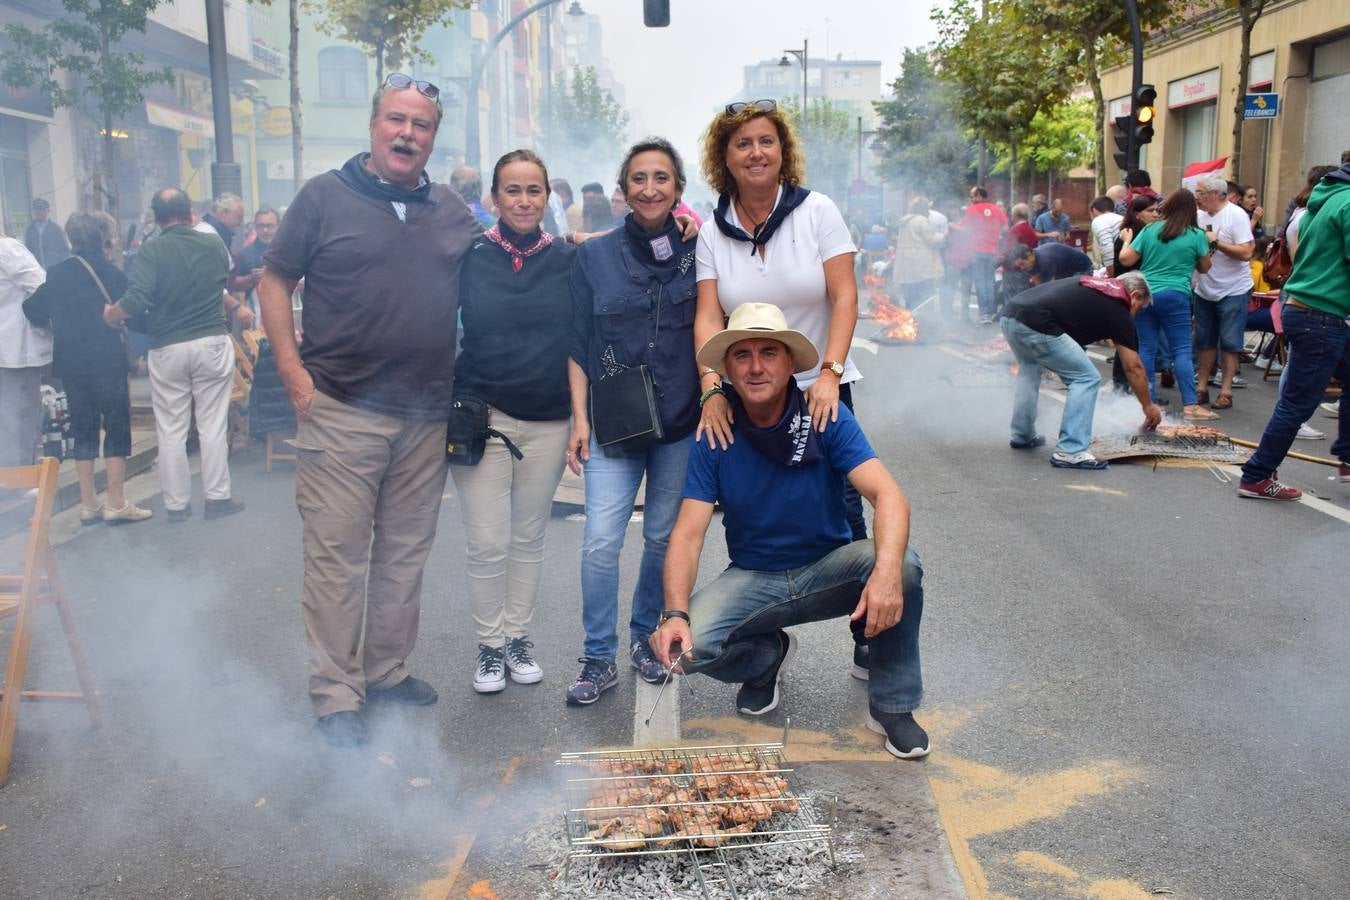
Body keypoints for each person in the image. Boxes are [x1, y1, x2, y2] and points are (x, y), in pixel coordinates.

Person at [256, 73, 481, 747]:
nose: (407, 133)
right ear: (374, 124)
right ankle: (335, 696)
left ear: (433, 137)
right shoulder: (323, 197)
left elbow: (508, 265)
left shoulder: (450, 210)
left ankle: (385, 673)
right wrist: (294, 374)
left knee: (405, 557)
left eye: (421, 124)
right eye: (396, 119)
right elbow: (274, 281)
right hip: (342, 408)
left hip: (425, 416)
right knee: (337, 559)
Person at [650, 302, 930, 758]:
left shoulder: (826, 414)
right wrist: (674, 615)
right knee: (687, 648)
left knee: (904, 566)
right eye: (742, 355)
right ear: (728, 369)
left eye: (769, 353)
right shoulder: (715, 432)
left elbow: (890, 497)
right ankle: (765, 660)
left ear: (788, 363)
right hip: (755, 577)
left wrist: (884, 575)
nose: (756, 367)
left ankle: (892, 706)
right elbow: (687, 534)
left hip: (829, 569)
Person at [564, 137, 700, 706]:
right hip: (613, 424)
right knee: (599, 543)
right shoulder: (592, 256)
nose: (649, 189)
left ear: (678, 190)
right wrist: (579, 420)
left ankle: (645, 638)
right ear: (623, 190)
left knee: (662, 538)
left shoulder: (700, 250)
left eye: (661, 178)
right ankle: (598, 658)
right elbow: (576, 342)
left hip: (680, 420)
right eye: (639, 179)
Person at [693, 99, 863, 531]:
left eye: (767, 141)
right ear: (724, 158)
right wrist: (712, 391)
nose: (756, 152)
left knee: (842, 511)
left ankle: (855, 594)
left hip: (819, 389)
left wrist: (830, 374)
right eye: (743, 144)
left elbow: (845, 297)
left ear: (782, 152)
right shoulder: (712, 232)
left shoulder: (818, 211)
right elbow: (709, 318)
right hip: (751, 398)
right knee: (762, 515)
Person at [452, 150, 574, 693]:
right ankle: (489, 648)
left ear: (548, 198)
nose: (523, 201)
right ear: (494, 199)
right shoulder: (468, 256)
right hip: (481, 415)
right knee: (486, 542)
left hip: (548, 419)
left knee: (528, 538)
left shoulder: (567, 260)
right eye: (512, 190)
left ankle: (519, 638)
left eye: (533, 191)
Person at [103, 188, 245, 522]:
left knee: (171, 429)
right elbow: (221, 279)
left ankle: (177, 505)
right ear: (191, 212)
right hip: (211, 340)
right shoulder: (213, 244)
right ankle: (217, 498)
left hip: (168, 346)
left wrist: (112, 313)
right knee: (212, 424)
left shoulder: (152, 250)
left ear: (155, 216)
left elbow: (137, 299)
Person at [22, 212, 151, 524]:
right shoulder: (113, 274)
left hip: (71, 363)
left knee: (83, 427)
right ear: (102, 239)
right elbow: (136, 318)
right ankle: (116, 502)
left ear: (70, 239)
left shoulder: (56, 273)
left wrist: (56, 323)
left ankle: (88, 502)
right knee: (117, 425)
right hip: (107, 360)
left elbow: (32, 309)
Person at [1236, 161, 1350, 500]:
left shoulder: (1329, 197)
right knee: (1297, 404)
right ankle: (1257, 475)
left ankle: (1347, 456)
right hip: (1322, 314)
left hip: (1311, 309)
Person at [1000, 272, 1162, 469]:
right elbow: (1133, 367)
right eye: (1140, 308)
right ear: (1135, 295)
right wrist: (1148, 406)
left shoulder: (1095, 285)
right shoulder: (1118, 305)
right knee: (1086, 378)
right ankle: (1071, 451)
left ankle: (1022, 434)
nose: (1135, 314)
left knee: (1030, 368)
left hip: (1010, 314)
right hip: (1035, 321)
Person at [1116, 188, 1217, 422]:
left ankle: (1148, 401)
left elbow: (1126, 259)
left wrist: (1127, 241)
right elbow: (1205, 268)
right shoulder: (1196, 235)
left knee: (1147, 350)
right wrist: (1210, 245)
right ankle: (1191, 405)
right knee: (1181, 350)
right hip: (1177, 296)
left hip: (1146, 294)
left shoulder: (1151, 230)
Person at [1193, 174, 1255, 411]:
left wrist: (1215, 243)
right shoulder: (1198, 216)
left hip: (1233, 288)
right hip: (1204, 288)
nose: (1196, 198)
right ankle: (1201, 387)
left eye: (1199, 193)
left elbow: (1246, 253)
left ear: (1213, 194)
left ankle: (1226, 391)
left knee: (1230, 342)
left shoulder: (1235, 215)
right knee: (1204, 341)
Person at [0, 234, 48, 468]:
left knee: (7, 416)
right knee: (20, 415)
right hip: (16, 347)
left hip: (8, 347)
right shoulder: (7, 249)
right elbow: (41, 286)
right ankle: (18, 476)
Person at [954, 186, 1007, 324]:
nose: (971, 199)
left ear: (979, 195)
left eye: (972, 196)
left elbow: (965, 228)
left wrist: (951, 226)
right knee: (990, 282)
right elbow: (1005, 227)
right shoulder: (996, 209)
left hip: (977, 250)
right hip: (992, 251)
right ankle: (990, 311)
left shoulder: (972, 209)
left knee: (980, 283)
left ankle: (984, 314)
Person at [227, 207, 279, 320]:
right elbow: (232, 284)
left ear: (278, 227)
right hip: (258, 316)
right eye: (261, 226)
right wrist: (251, 278)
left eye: (269, 226)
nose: (265, 230)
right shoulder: (245, 254)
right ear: (255, 227)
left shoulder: (290, 251)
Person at [892, 198, 943, 308]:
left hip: (906, 267)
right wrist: (945, 236)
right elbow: (932, 240)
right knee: (925, 297)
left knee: (910, 297)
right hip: (920, 266)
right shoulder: (922, 221)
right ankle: (925, 322)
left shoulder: (905, 221)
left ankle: (911, 321)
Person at [1003, 241, 1091, 290]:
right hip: (1063, 270)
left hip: (1082, 268)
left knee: (1069, 293)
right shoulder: (1032, 260)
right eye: (1019, 266)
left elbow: (1047, 288)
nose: (1022, 268)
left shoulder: (1045, 261)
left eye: (1022, 264)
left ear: (1029, 254)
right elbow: (1037, 281)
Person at [24, 198, 70, 269]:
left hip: (54, 269)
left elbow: (65, 251)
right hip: (37, 270)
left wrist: (64, 267)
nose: (38, 211)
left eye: (42, 209)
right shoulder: (30, 230)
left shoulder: (56, 228)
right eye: (36, 209)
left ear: (48, 210)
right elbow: (28, 251)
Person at [1088, 196, 1124, 271]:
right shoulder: (1121, 218)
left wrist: (1111, 275)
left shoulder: (1099, 220)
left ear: (1094, 210)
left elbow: (1107, 248)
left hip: (1119, 264)